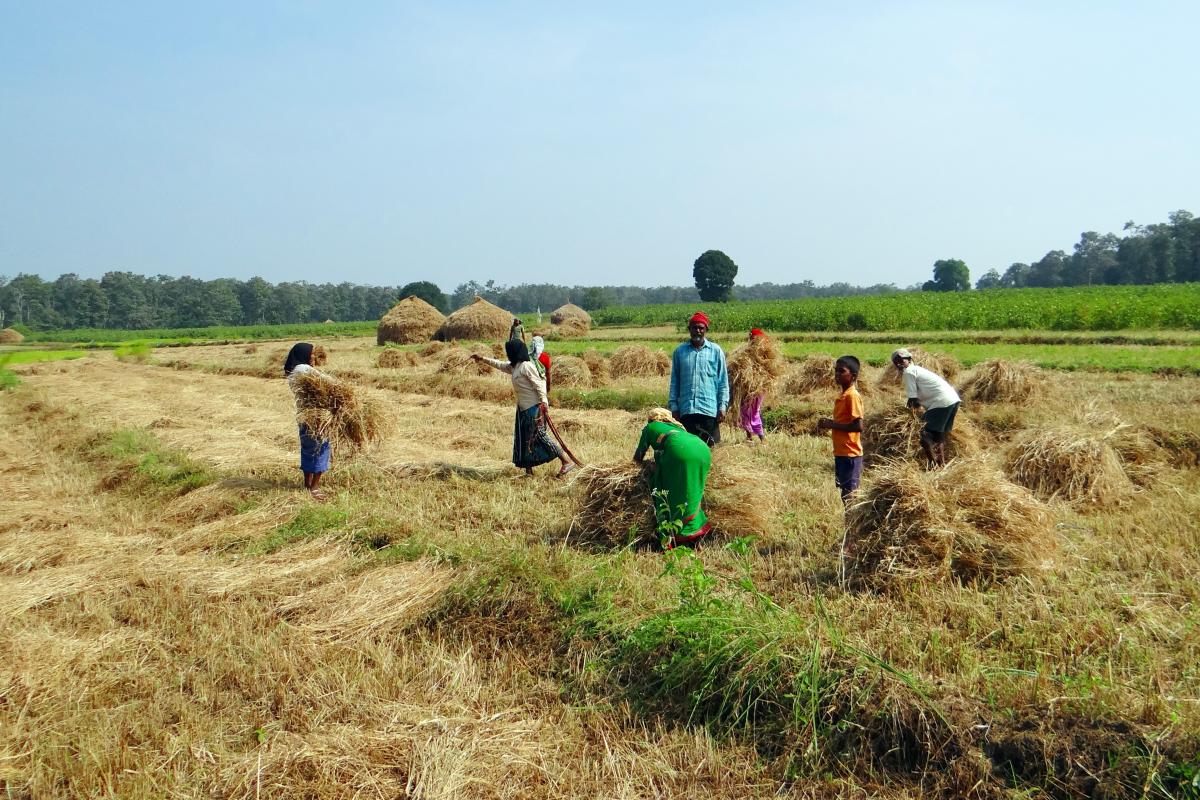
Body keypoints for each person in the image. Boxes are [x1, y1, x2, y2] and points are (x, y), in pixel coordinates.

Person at [473, 339, 574, 477]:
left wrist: (544, 402)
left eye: (509, 352)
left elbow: (539, 384)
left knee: (540, 436)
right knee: (524, 439)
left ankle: (566, 461)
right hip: (522, 408)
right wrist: (482, 359)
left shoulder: (526, 366)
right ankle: (528, 471)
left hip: (534, 407)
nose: (508, 355)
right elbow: (499, 364)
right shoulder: (515, 367)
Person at [634, 407, 713, 548]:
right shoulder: (677, 426)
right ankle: (698, 530)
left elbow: (638, 456)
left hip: (680, 450)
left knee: (665, 489)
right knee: (693, 491)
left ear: (652, 419)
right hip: (703, 449)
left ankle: (672, 535)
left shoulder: (650, 426)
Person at [891, 347, 961, 468]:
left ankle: (933, 465)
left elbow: (913, 400)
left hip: (941, 402)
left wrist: (905, 412)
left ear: (909, 359)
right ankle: (941, 465)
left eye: (902, 360)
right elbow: (917, 401)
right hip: (952, 400)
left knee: (924, 434)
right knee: (938, 435)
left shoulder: (909, 372)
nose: (899, 363)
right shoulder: (917, 370)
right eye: (896, 361)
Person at [668, 311, 729, 446]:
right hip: (686, 411)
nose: (698, 331)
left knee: (710, 450)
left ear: (706, 330)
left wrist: (722, 406)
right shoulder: (680, 352)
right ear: (689, 329)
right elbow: (675, 382)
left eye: (701, 328)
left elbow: (723, 382)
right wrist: (674, 407)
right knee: (687, 449)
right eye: (694, 327)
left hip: (708, 410)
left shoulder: (716, 351)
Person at [284, 342, 332, 500]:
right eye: (311, 354)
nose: (313, 357)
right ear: (303, 354)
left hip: (304, 416)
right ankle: (314, 488)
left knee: (308, 449)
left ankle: (307, 484)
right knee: (321, 449)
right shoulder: (304, 369)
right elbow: (328, 381)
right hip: (316, 416)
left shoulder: (293, 372)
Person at [818, 356, 865, 503]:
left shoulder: (852, 396)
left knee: (850, 495)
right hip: (841, 452)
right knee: (845, 494)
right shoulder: (843, 396)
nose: (837, 374)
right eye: (836, 371)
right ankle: (849, 523)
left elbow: (858, 426)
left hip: (850, 454)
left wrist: (831, 425)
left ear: (853, 376)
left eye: (841, 371)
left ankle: (852, 524)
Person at [739, 328, 769, 444]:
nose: (751, 340)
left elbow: (768, 370)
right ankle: (749, 436)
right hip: (747, 386)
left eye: (754, 338)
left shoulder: (764, 353)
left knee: (754, 411)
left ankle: (762, 437)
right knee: (745, 410)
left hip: (759, 387)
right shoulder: (746, 353)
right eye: (751, 338)